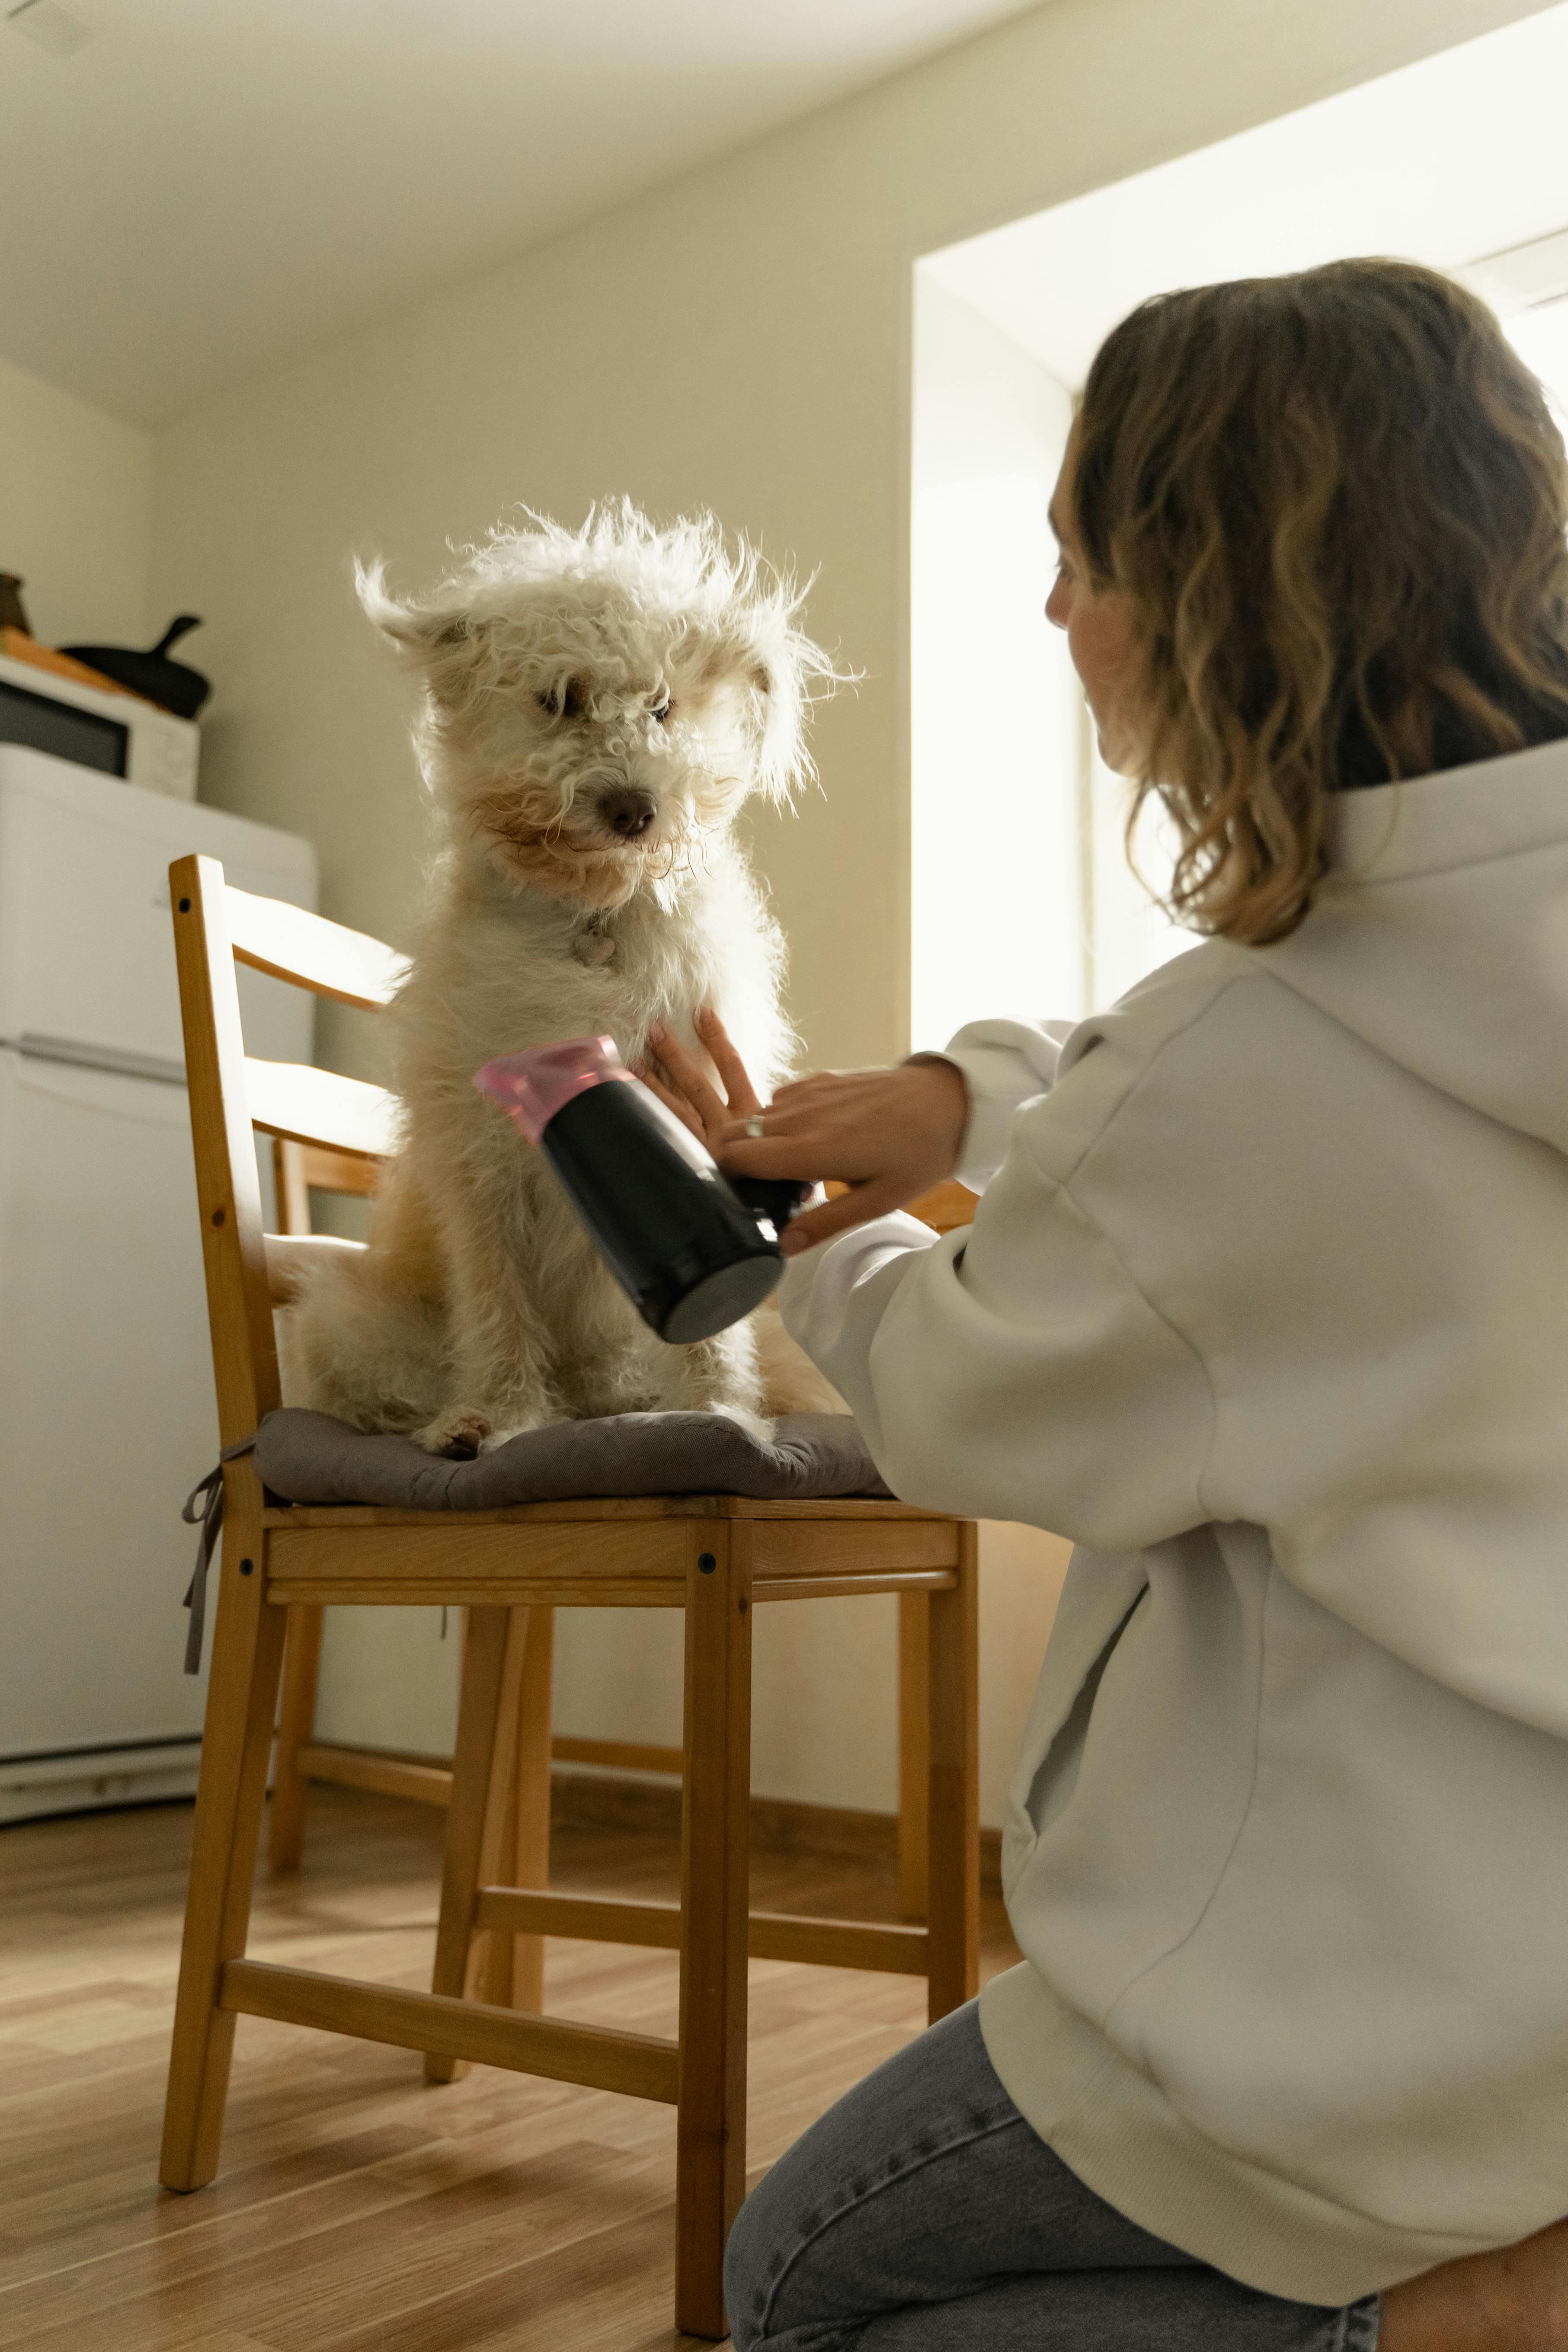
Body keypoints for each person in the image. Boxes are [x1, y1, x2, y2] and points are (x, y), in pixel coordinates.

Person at [643, 257, 1568, 2351]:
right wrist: (977, 1088)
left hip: (1409, 2015)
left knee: (795, 2280)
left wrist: (828, 1242)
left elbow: (968, 1396)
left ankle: (1465, 2318)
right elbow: (1305, 1067)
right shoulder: (1453, 937)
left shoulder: (1245, 1063)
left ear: (1213, 581)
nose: (1053, 611)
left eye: (1078, 554)